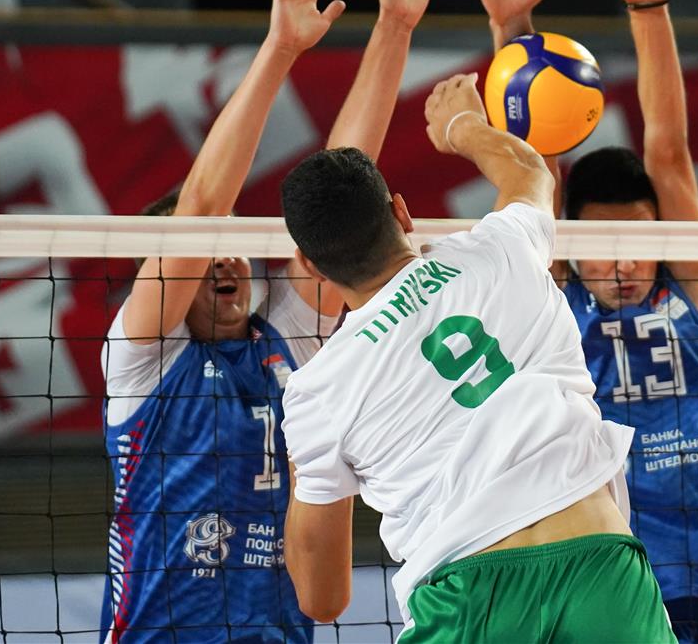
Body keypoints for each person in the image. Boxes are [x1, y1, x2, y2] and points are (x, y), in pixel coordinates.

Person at [99, 0, 436, 643]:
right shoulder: (140, 357)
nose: (225, 259)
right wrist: (281, 47)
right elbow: (201, 207)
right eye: (205, 254)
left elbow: (344, 188)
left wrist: (395, 27)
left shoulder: (286, 333)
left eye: (234, 247)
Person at [447, 0, 698, 643]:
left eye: (637, 242)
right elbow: (532, 166)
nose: (622, 263)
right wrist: (512, 26)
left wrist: (649, 6)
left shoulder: (692, 290)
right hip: (607, 605)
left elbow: (669, 150)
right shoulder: (559, 302)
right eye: (602, 245)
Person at [278, 74, 677, 643]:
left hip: (468, 597)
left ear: (310, 265)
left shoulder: (317, 391)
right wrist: (462, 127)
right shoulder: (502, 250)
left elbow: (322, 599)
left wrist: (305, 447)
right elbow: (531, 174)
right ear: (402, 213)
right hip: (600, 562)